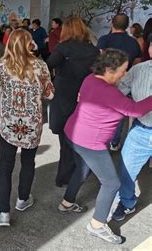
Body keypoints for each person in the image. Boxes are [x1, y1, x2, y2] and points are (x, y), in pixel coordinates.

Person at [59, 49, 152, 244]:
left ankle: (66, 203)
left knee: (82, 170)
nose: (125, 74)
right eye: (123, 70)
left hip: (73, 133)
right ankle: (97, 225)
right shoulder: (109, 92)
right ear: (110, 70)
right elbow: (136, 109)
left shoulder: (91, 79)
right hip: (89, 142)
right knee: (111, 183)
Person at [0, 29, 54, 227]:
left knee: (5, 168)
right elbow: (50, 94)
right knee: (28, 163)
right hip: (31, 127)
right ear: (29, 44)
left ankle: (3, 213)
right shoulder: (40, 66)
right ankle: (23, 200)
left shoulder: (3, 65)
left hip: (8, 125)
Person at [46, 16, 100, 187]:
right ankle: (81, 172)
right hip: (86, 97)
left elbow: (47, 65)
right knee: (83, 137)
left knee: (66, 140)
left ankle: (63, 178)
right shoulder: (93, 49)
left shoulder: (63, 48)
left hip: (64, 97)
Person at [112, 41, 152, 222]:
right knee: (126, 170)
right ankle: (127, 202)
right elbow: (119, 92)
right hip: (142, 131)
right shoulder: (138, 70)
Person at [97, 13, 142, 150]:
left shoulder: (104, 40)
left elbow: (99, 59)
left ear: (112, 24)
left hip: (106, 79)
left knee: (102, 110)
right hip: (125, 81)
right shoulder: (133, 42)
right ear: (128, 26)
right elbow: (137, 62)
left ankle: (101, 139)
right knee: (119, 112)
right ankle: (114, 142)